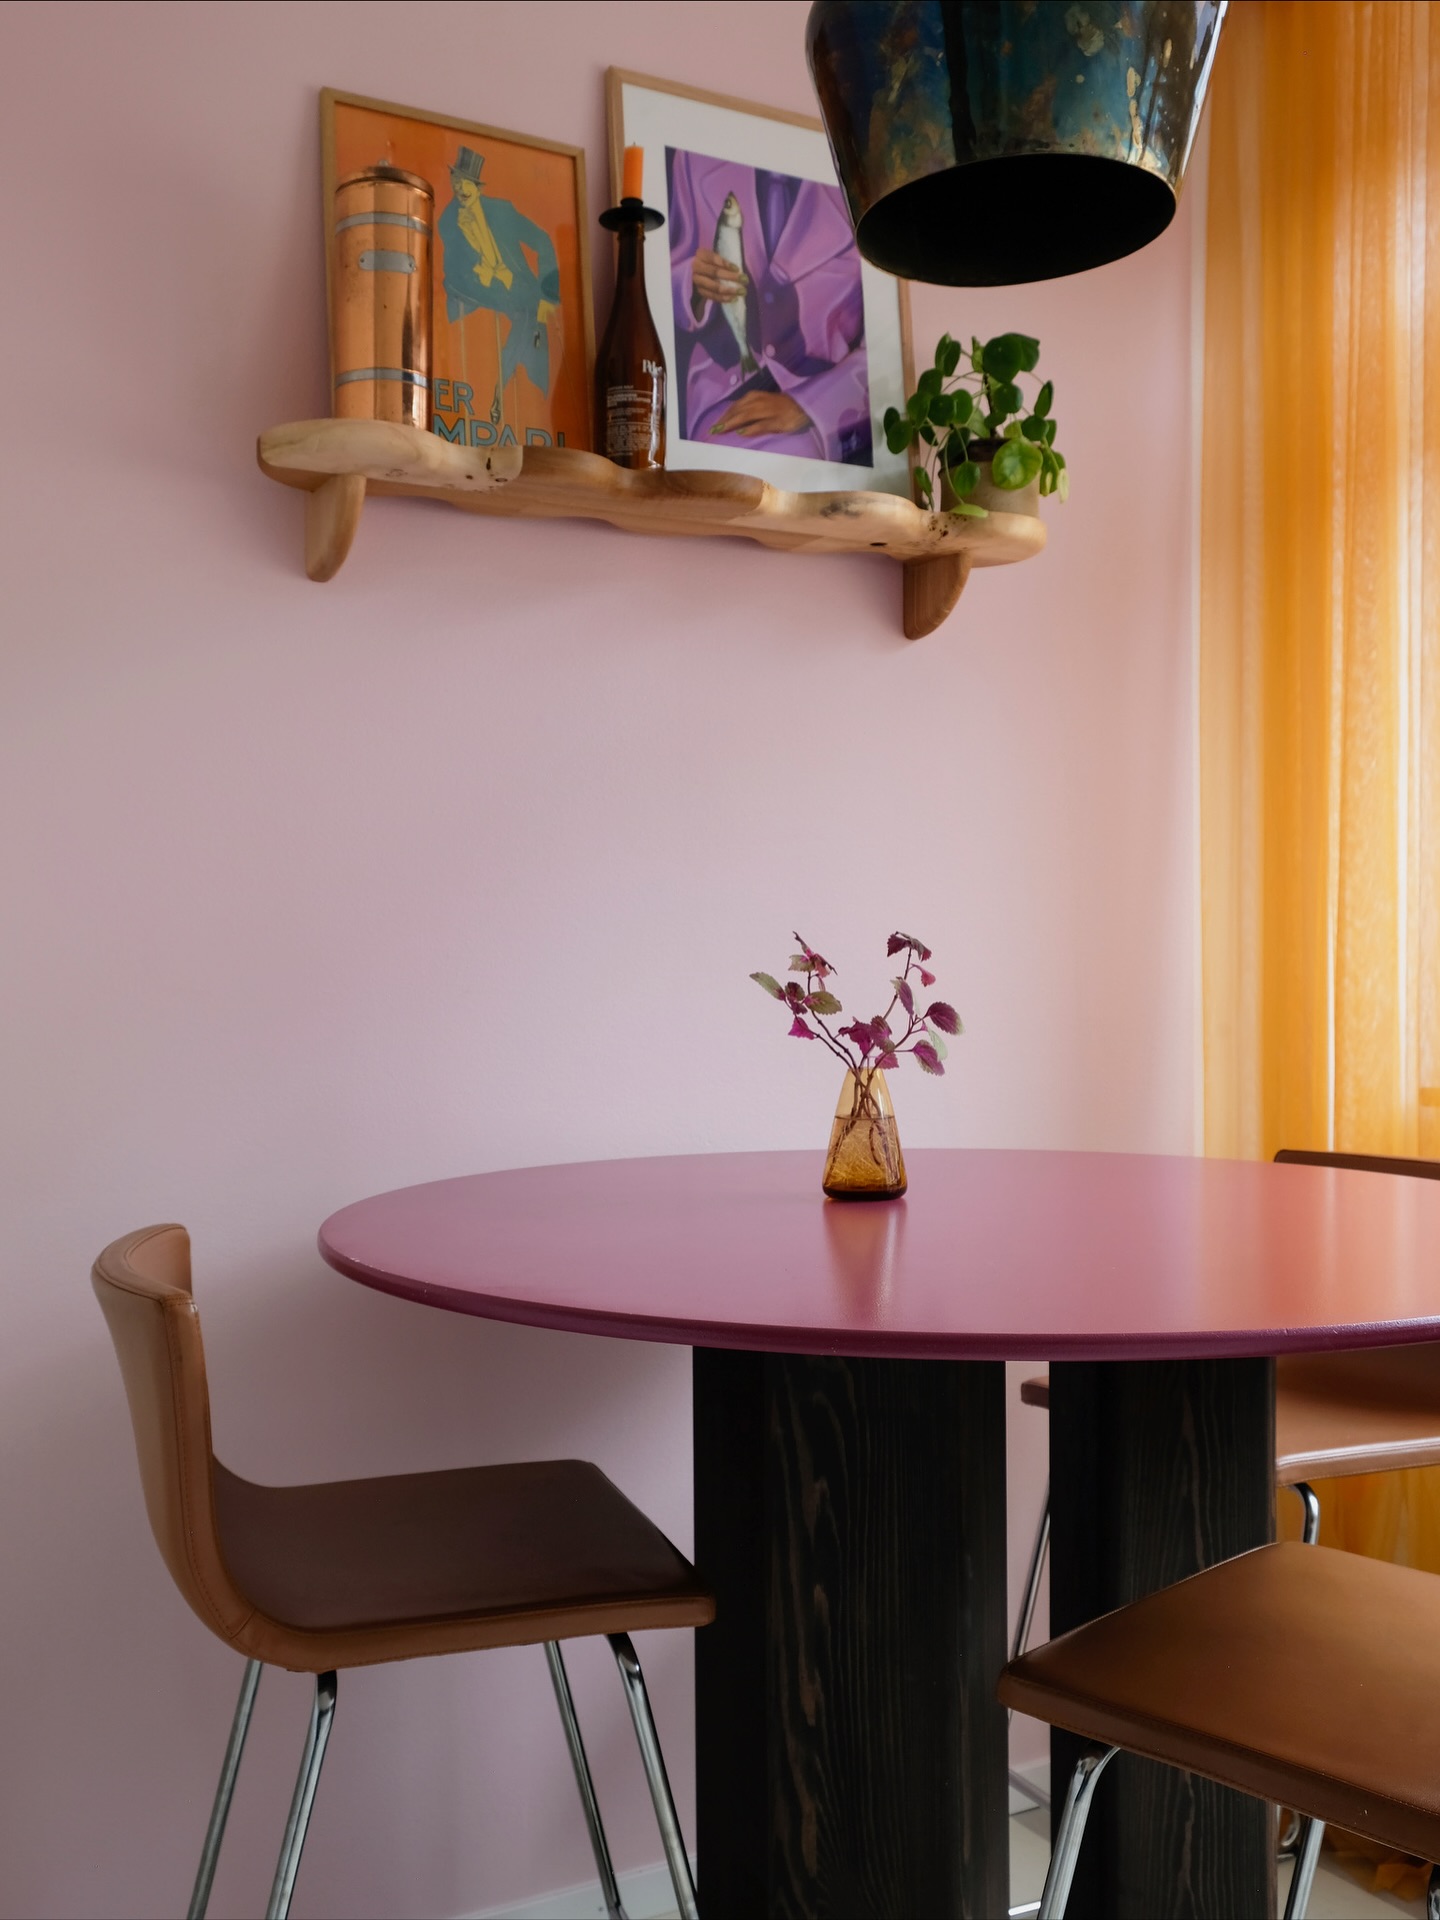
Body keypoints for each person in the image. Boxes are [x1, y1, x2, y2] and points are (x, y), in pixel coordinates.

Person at [667, 149, 873, 465]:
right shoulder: (693, 161)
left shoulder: (867, 190)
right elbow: (657, 277)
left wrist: (810, 405)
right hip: (720, 393)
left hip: (825, 408)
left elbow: (883, 351)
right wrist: (690, 285)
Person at [438, 146, 561, 423]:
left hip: (515, 284)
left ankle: (529, 399)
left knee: (533, 312)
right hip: (478, 290)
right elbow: (451, 272)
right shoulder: (447, 221)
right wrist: (478, 276)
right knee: (526, 311)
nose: (461, 189)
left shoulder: (502, 211)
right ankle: (500, 392)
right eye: (456, 181)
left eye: (467, 183)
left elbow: (542, 240)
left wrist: (548, 293)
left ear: (478, 187)